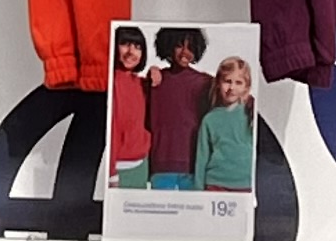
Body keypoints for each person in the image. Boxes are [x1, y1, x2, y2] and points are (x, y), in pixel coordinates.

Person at [141, 26, 213, 185]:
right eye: (179, 46)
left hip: (194, 166)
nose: (185, 52)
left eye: (190, 47)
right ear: (168, 45)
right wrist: (151, 71)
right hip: (160, 165)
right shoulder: (155, 81)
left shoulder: (205, 83)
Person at [195, 57, 258, 193]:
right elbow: (202, 158)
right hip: (215, 184)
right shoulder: (209, 119)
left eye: (238, 82)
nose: (232, 88)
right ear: (218, 83)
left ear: (246, 86)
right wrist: (198, 192)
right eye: (227, 81)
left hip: (245, 184)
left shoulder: (251, 114)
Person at [105, 24, 152, 188]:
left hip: (141, 165)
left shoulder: (141, 84)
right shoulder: (111, 83)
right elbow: (111, 129)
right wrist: (111, 174)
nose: (131, 52)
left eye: (138, 47)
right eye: (125, 44)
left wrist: (155, 72)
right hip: (119, 168)